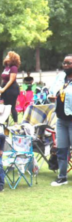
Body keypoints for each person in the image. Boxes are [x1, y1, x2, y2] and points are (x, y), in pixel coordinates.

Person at [49, 54, 72, 186]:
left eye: (69, 63)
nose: (66, 65)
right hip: (61, 120)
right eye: (64, 63)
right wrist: (51, 96)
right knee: (62, 150)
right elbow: (52, 91)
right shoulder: (60, 78)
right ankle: (62, 177)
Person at [0, 51, 21, 123]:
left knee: (12, 107)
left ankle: (15, 123)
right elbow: (4, 79)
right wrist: (1, 88)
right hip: (5, 89)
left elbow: (11, 80)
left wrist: (3, 89)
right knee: (5, 107)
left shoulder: (14, 68)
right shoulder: (6, 67)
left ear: (12, 58)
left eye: (8, 56)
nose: (6, 57)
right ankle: (6, 123)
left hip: (12, 89)